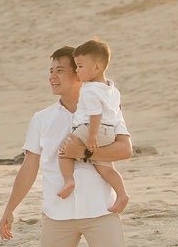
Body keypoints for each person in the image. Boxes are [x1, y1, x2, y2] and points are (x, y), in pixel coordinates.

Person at [0, 45, 141, 247]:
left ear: (78, 74)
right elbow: (29, 167)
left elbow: (126, 150)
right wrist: (11, 208)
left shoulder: (105, 109)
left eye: (59, 70)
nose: (52, 76)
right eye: (50, 71)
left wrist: (87, 152)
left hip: (100, 210)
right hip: (58, 212)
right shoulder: (41, 119)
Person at [53, 39, 131, 213]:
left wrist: (92, 136)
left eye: (80, 67)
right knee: (105, 168)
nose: (77, 71)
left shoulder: (89, 90)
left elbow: (95, 113)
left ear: (96, 68)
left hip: (91, 128)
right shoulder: (113, 89)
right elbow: (115, 110)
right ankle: (122, 193)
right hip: (110, 132)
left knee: (64, 151)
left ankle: (68, 180)